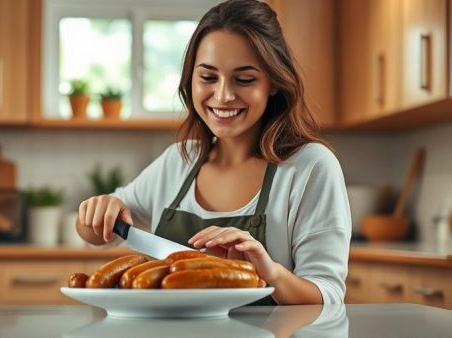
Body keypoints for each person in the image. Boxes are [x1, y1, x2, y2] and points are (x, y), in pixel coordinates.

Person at [76, 0, 351, 305]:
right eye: (208, 77)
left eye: (244, 79)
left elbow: (328, 296)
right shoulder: (178, 161)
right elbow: (100, 233)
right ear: (190, 80)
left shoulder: (310, 166)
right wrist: (97, 211)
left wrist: (271, 272)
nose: (223, 95)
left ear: (273, 82)